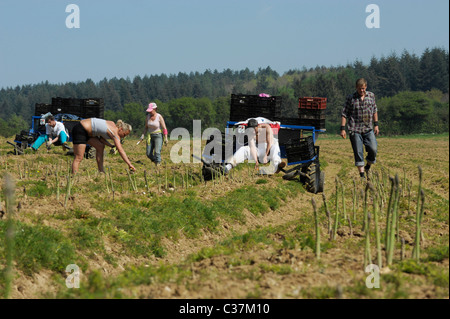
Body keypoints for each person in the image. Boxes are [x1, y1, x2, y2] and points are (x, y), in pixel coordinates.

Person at [340, 78, 379, 180]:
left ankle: (368, 166)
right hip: (355, 129)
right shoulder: (351, 98)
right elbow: (344, 114)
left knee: (373, 149)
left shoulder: (371, 96)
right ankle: (362, 176)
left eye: (363, 88)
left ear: (366, 87)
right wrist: (343, 129)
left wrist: (376, 125)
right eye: (359, 88)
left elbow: (375, 110)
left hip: (368, 128)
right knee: (358, 151)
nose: (361, 90)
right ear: (356, 88)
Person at [71, 118, 135, 174]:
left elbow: (101, 139)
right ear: (120, 129)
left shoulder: (112, 123)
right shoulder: (115, 134)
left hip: (88, 132)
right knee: (79, 157)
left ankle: (101, 171)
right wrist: (129, 164)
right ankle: (74, 176)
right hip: (80, 130)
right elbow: (121, 150)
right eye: (124, 135)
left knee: (100, 146)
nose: (123, 137)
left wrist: (111, 146)